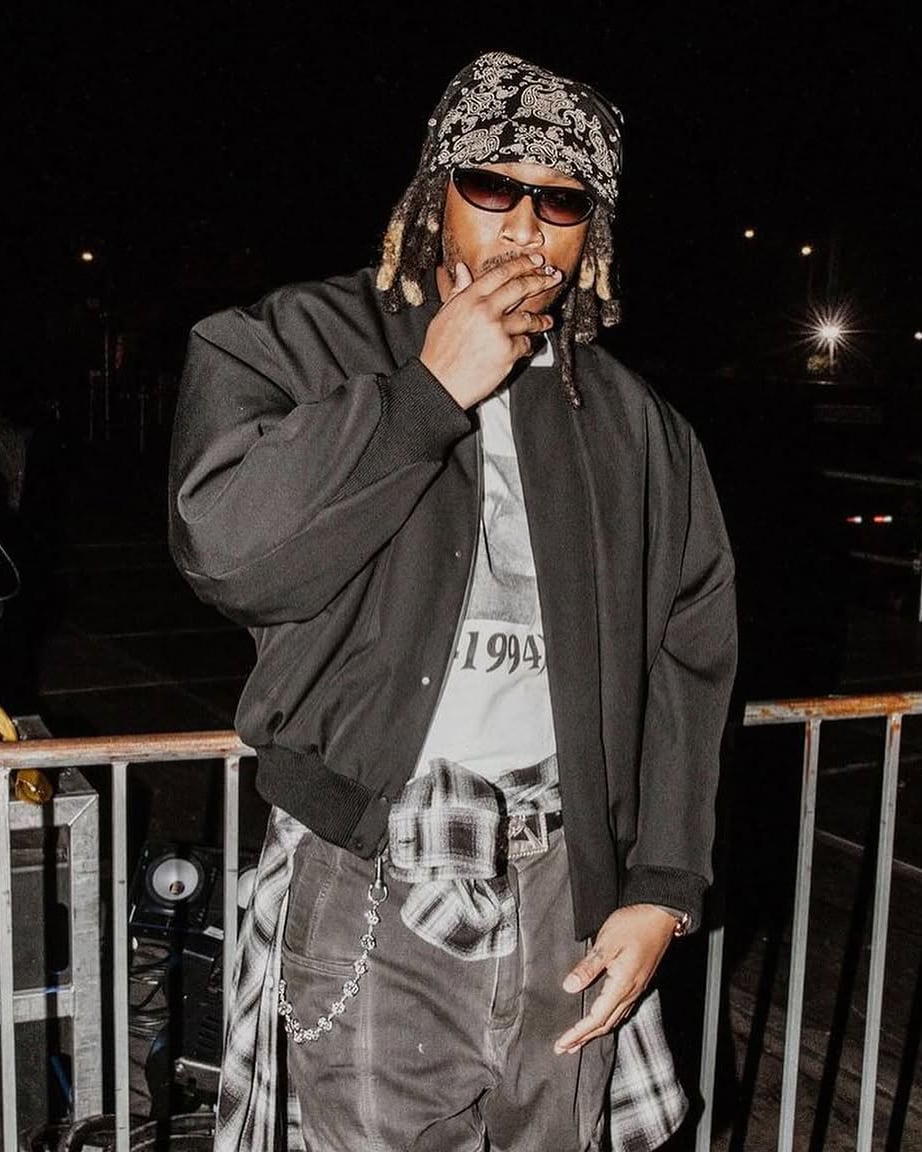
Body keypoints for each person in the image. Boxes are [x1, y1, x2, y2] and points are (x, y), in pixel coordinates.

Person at [168, 49, 738, 1152]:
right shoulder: (295, 343)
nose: (524, 224)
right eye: (492, 185)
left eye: (562, 200)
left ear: (594, 230)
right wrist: (425, 394)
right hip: (371, 869)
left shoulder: (638, 424)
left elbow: (690, 653)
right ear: (436, 189)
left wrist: (660, 885)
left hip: (565, 881)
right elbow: (226, 552)